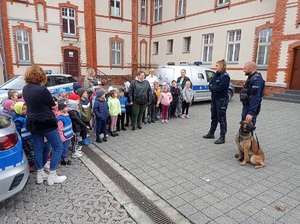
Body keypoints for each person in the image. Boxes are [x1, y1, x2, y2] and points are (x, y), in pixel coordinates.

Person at [22, 65, 67, 185]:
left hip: (32, 122)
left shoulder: (25, 88)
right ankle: (52, 174)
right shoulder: (42, 89)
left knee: (38, 147)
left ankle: (40, 174)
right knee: (58, 146)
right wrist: (55, 105)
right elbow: (53, 105)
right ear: (40, 75)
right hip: (45, 122)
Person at [203, 60, 230, 144]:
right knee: (214, 116)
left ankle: (222, 137)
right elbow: (210, 85)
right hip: (214, 99)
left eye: (217, 65)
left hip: (221, 100)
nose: (215, 67)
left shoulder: (225, 76)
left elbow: (219, 88)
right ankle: (211, 133)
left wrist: (213, 88)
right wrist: (213, 87)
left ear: (222, 66)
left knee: (221, 118)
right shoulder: (216, 75)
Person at [240, 61, 265, 126]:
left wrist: (251, 113)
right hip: (247, 106)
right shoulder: (251, 77)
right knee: (244, 128)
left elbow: (255, 97)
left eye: (245, 68)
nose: (243, 70)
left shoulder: (256, 80)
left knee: (248, 128)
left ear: (250, 69)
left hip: (250, 108)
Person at [13, 102, 34, 172]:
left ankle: (31, 161)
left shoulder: (24, 117)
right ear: (18, 110)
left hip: (28, 137)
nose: (26, 111)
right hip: (24, 139)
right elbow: (18, 131)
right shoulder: (18, 120)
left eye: (26, 109)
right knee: (27, 151)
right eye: (23, 109)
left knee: (30, 149)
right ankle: (29, 165)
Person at [56, 100, 74, 165]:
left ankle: (64, 156)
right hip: (64, 136)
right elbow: (60, 129)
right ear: (61, 109)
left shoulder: (66, 115)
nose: (67, 108)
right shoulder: (60, 118)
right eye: (66, 107)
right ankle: (63, 158)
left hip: (68, 134)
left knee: (66, 147)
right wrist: (62, 137)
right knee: (64, 148)